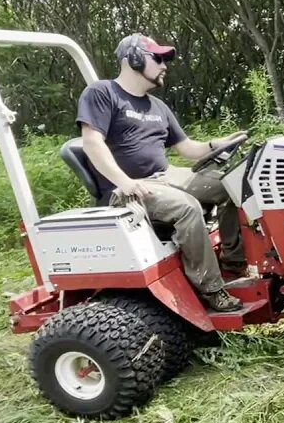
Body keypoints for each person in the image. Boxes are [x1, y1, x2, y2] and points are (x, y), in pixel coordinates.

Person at [76, 33, 247, 312]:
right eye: (158, 58)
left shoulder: (158, 106)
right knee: (187, 207)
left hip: (165, 176)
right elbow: (92, 143)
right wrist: (126, 183)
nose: (165, 65)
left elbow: (188, 148)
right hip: (127, 190)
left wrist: (218, 144)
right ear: (132, 59)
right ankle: (212, 290)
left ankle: (233, 265)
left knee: (231, 186)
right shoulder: (102, 93)